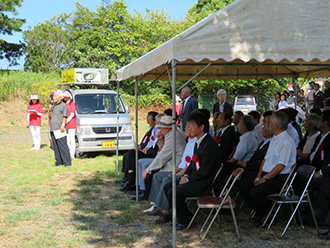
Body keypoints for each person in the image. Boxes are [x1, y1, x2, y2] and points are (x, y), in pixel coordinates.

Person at [164, 111, 221, 230]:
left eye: (191, 125)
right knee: (168, 186)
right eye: (188, 124)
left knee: (173, 191)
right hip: (196, 178)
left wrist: (188, 178)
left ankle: (187, 220)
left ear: (201, 127)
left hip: (204, 183)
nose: (188, 127)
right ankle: (177, 216)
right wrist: (185, 175)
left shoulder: (209, 145)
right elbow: (192, 164)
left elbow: (205, 171)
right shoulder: (198, 142)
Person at [238, 111, 296, 226]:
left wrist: (265, 178)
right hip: (267, 174)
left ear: (276, 125)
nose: (267, 125)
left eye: (270, 122)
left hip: (278, 178)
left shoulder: (286, 141)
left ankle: (265, 213)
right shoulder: (274, 138)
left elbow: (281, 165)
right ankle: (258, 211)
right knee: (242, 186)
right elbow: (265, 160)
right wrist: (259, 176)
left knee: (255, 192)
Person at [145, 122, 197, 224]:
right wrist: (175, 171)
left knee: (167, 179)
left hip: (186, 174)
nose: (185, 129)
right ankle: (157, 205)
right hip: (179, 168)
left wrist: (177, 174)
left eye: (188, 127)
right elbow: (182, 161)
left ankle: (165, 212)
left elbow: (189, 166)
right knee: (157, 176)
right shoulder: (189, 141)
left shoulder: (177, 137)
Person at [141, 115, 186, 197]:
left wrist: (148, 170)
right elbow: (163, 151)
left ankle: (155, 201)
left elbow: (162, 156)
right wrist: (160, 141)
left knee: (155, 175)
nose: (159, 130)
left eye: (161, 128)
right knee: (152, 172)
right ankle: (151, 199)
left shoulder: (173, 137)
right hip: (171, 164)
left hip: (174, 167)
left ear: (167, 128)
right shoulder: (172, 134)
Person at [119, 111, 159, 191]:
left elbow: (153, 143)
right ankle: (127, 176)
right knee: (128, 153)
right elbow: (147, 141)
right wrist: (141, 146)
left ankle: (131, 179)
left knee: (131, 154)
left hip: (152, 152)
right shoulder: (151, 129)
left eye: (149, 120)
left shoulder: (157, 131)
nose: (147, 121)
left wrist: (144, 148)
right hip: (146, 149)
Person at [49, 90, 71, 167]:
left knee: (63, 146)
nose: (53, 98)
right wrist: (50, 110)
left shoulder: (63, 105)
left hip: (60, 128)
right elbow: (50, 117)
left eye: (55, 96)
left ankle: (67, 162)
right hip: (53, 128)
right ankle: (58, 161)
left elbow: (65, 116)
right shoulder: (54, 106)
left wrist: (63, 125)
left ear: (60, 97)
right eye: (53, 96)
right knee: (55, 146)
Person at [63, 90, 76, 159]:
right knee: (67, 139)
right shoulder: (64, 104)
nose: (65, 98)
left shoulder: (72, 104)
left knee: (71, 139)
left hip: (71, 124)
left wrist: (67, 121)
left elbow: (72, 114)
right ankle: (68, 153)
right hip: (65, 125)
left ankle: (72, 154)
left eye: (66, 97)